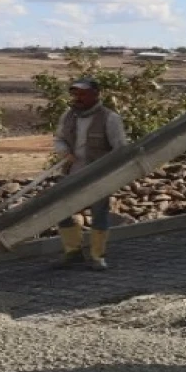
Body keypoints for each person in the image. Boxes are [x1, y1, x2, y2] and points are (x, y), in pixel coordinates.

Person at [52, 78, 128, 271]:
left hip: (98, 177)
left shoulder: (110, 118)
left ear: (96, 94)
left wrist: (108, 173)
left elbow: (120, 150)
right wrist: (64, 152)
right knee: (62, 212)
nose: (78, 97)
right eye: (75, 93)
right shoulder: (68, 116)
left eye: (83, 94)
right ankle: (73, 253)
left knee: (99, 214)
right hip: (72, 174)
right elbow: (59, 139)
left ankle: (97, 256)